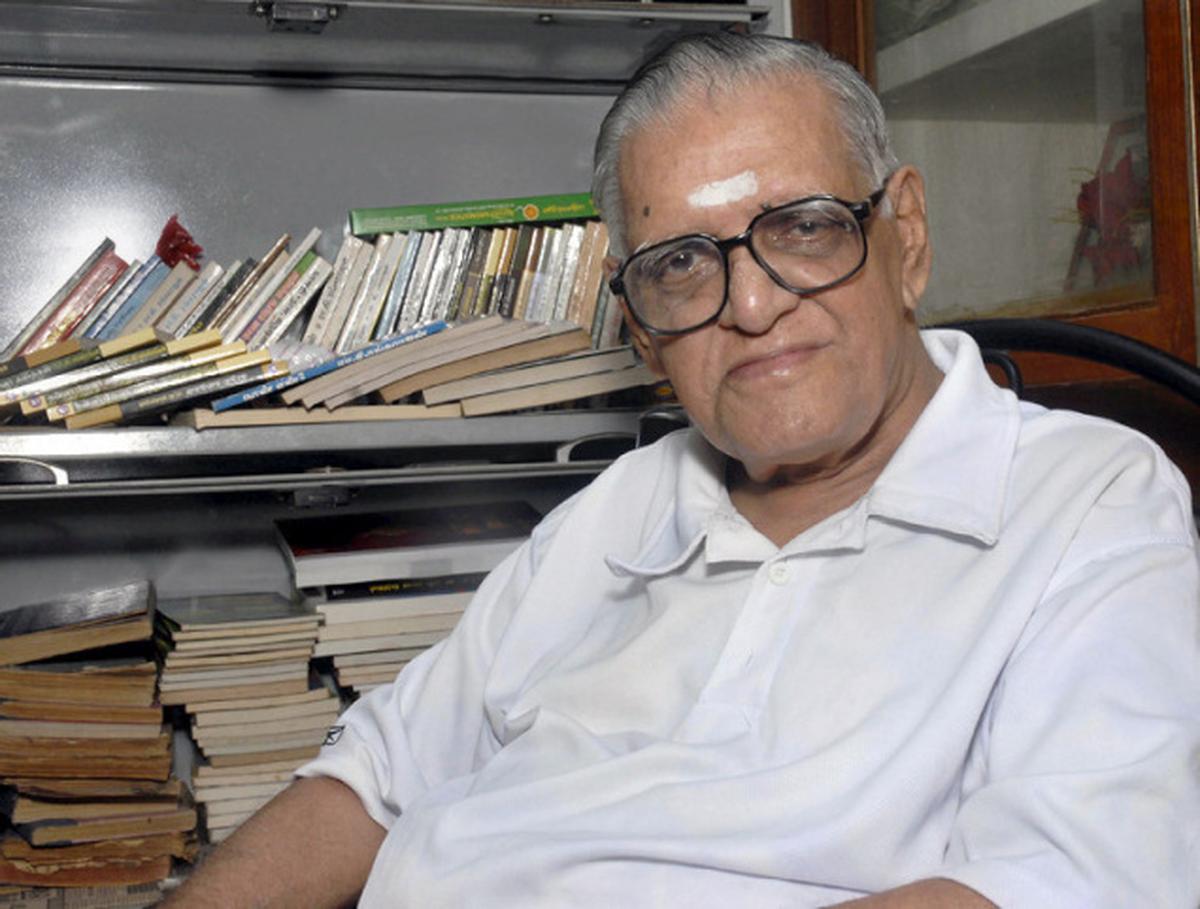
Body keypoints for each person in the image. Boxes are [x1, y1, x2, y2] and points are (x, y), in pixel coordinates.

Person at [164, 33, 1200, 908]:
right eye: (681, 264)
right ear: (641, 329)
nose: (750, 307)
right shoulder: (621, 505)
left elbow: (1067, 879)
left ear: (909, 238)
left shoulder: (1088, 502)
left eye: (803, 227)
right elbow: (374, 779)